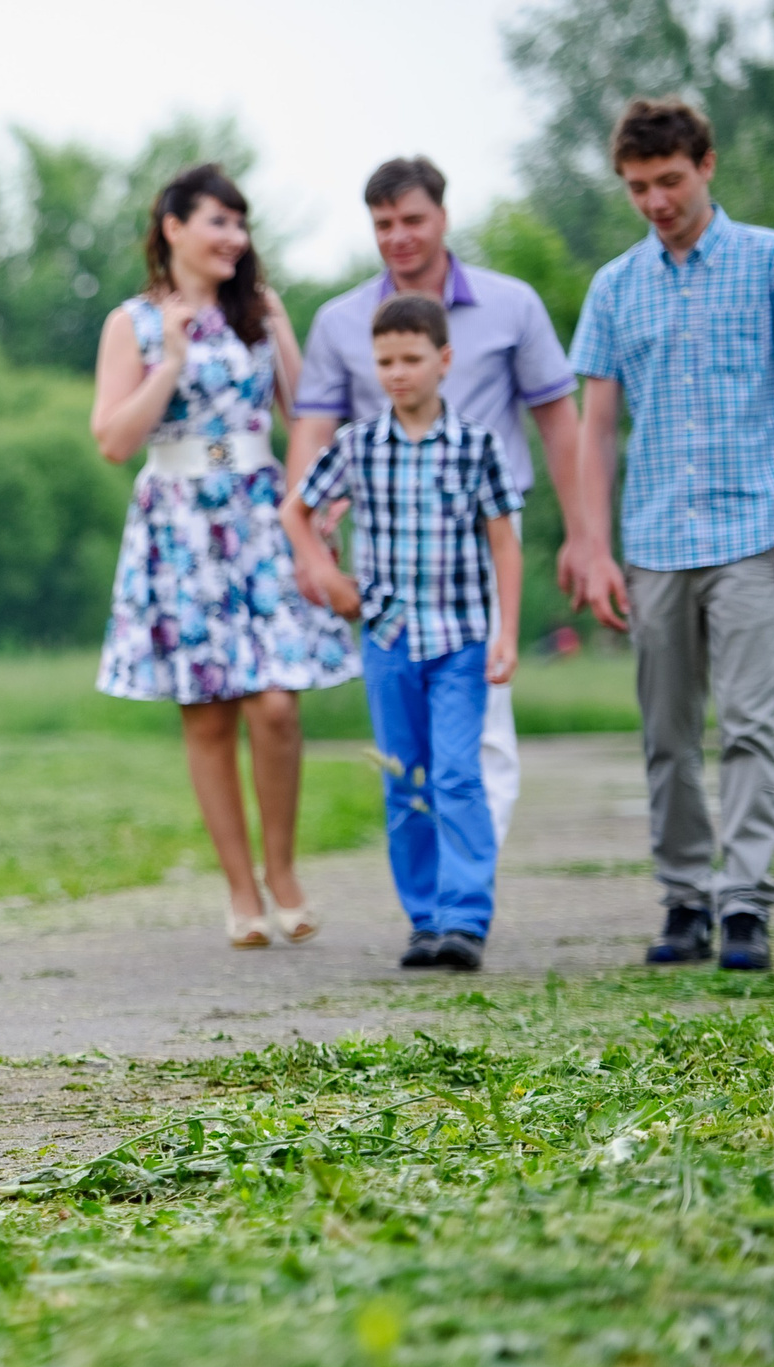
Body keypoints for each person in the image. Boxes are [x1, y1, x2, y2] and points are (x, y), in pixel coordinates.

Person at [561, 99, 774, 973]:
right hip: (652, 540)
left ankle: (746, 902)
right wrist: (591, 545)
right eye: (638, 186)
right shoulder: (614, 287)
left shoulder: (772, 262)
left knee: (749, 722)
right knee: (667, 732)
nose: (655, 201)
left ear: (706, 165)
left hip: (750, 529)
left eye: (669, 180)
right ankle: (685, 899)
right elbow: (595, 430)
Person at [92, 163, 360, 950]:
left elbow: (306, 413)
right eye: (218, 222)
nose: (233, 239)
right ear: (173, 227)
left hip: (257, 512)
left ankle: (284, 872)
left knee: (275, 703)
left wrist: (323, 499)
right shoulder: (133, 323)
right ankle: (241, 893)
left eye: (240, 225)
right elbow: (113, 440)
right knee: (207, 717)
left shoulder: (262, 311)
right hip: (177, 521)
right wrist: (169, 360)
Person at [289, 155, 580, 846]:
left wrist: (584, 533)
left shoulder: (513, 305)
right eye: (383, 224)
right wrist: (314, 549)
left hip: (483, 536)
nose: (399, 236)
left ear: (443, 217)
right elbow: (312, 436)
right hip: (392, 543)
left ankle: (465, 887)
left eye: (413, 219)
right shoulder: (340, 322)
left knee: (483, 721)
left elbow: (559, 424)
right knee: (410, 740)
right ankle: (446, 889)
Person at [285, 296, 525, 970]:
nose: (398, 372)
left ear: (444, 361)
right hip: (388, 638)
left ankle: (465, 918)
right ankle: (424, 919)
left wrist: (505, 635)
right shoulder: (358, 446)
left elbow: (505, 544)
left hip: (461, 637)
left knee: (455, 774)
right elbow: (297, 511)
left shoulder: (477, 446)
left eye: (411, 359)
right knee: (406, 778)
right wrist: (324, 576)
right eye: (385, 360)